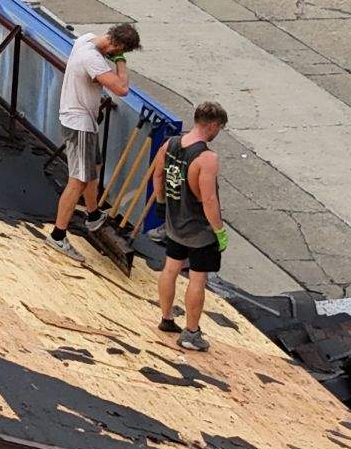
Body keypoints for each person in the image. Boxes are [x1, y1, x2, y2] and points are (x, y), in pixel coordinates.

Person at [49, 22, 139, 251]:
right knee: (78, 180)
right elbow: (122, 89)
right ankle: (58, 235)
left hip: (82, 121)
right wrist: (121, 61)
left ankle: (93, 213)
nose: (121, 55)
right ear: (116, 44)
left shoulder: (86, 39)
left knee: (94, 168)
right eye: (122, 50)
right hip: (79, 125)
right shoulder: (94, 59)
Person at [151, 101, 231, 352]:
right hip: (199, 230)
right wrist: (219, 231)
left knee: (171, 268)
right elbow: (209, 200)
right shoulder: (206, 158)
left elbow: (157, 174)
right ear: (213, 125)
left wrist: (162, 205)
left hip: (175, 223)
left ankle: (166, 319)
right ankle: (191, 333)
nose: (218, 132)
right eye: (219, 128)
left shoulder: (171, 144)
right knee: (197, 279)